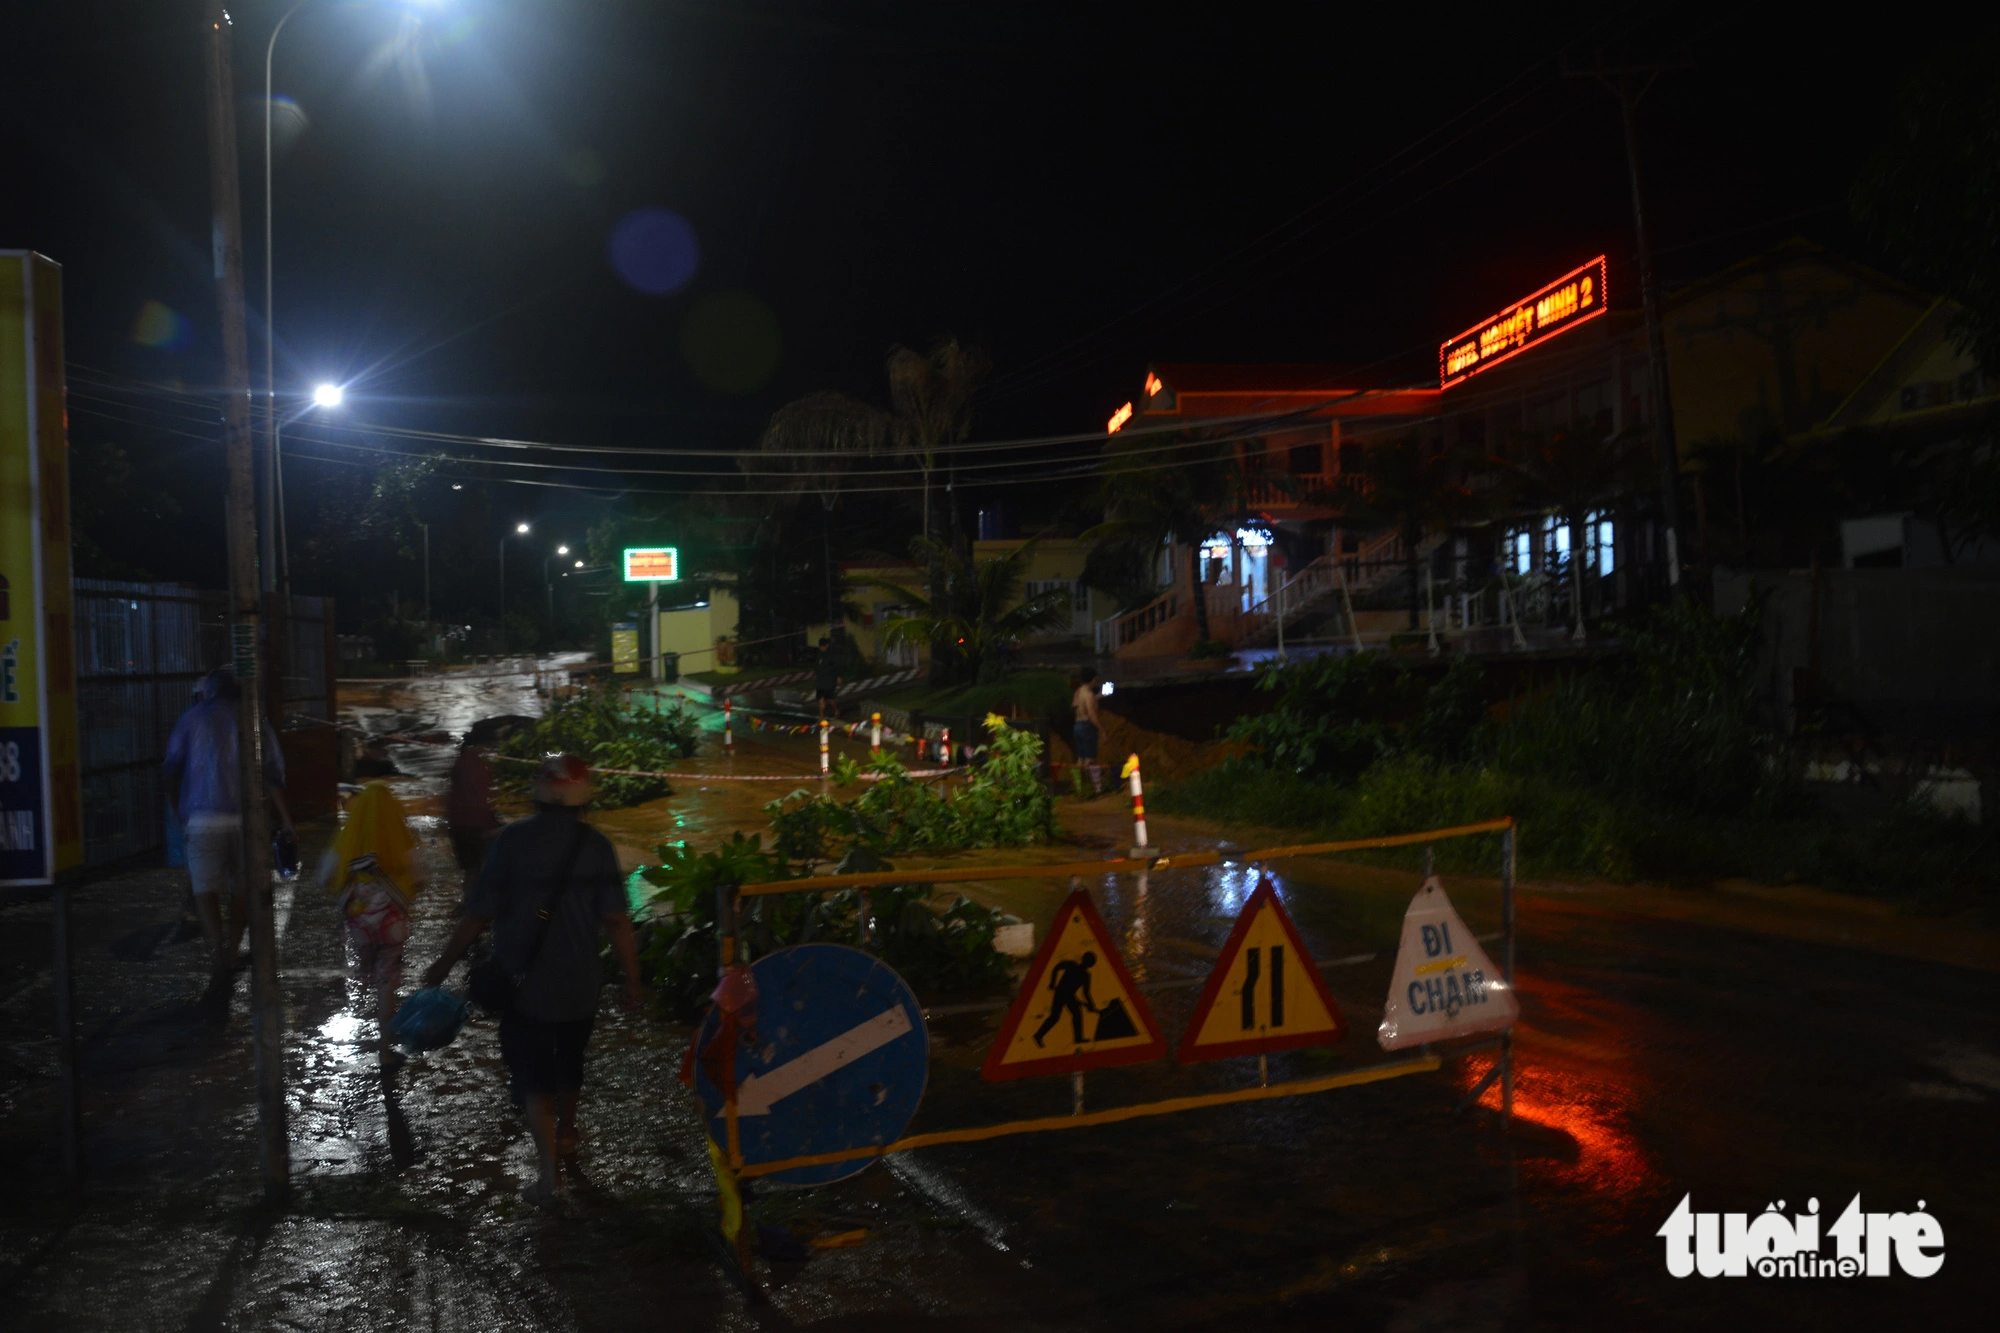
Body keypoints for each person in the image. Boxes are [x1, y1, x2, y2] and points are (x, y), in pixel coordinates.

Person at [421, 754, 644, 1207]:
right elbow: (617, 921)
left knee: (532, 1074)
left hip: (525, 984)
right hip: (582, 982)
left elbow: (478, 913)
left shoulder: (510, 841)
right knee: (570, 1059)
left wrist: (444, 963)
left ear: (537, 795)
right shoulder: (597, 845)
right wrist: (633, 980)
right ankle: (567, 1132)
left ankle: (549, 1177)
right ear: (585, 798)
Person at [162, 666, 294, 1007]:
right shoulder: (254, 719)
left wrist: (180, 811)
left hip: (201, 819)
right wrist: (286, 821)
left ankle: (218, 950)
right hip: (245, 822)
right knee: (242, 889)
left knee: (204, 891)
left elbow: (170, 767)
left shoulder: (191, 718)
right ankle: (233, 951)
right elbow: (275, 772)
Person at [320, 781, 424, 1072]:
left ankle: (366, 978)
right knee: (387, 983)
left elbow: (325, 875)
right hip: (393, 927)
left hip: (361, 928)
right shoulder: (400, 838)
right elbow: (419, 877)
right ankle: (386, 1050)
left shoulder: (349, 838)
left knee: (369, 970)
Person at [444, 736, 501, 884]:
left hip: (458, 824)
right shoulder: (476, 766)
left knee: (470, 870)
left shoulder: (461, 762)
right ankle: (474, 903)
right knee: (478, 870)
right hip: (473, 826)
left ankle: (468, 902)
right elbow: (478, 799)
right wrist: (490, 824)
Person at [1033, 951, 1098, 1047]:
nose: (1087, 963)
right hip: (1060, 993)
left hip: (1069, 996)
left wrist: (1091, 1005)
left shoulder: (1085, 975)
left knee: (1076, 1014)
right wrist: (1052, 983)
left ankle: (1078, 1038)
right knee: (1055, 1017)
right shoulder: (1071, 965)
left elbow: (1086, 993)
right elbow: (1056, 968)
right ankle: (1038, 1035)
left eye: (1089, 962)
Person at [1071, 666, 1106, 795]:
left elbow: (1076, 705)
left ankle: (1079, 788)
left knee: (1080, 759)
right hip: (1087, 727)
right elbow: (1092, 715)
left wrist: (1098, 697)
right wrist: (1102, 730)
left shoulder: (1079, 692)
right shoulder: (1089, 694)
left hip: (1077, 726)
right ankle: (1097, 790)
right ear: (1094, 679)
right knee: (1090, 759)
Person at [813, 635, 842, 720]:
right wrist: (815, 674)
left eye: (823, 646)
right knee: (821, 701)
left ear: (827, 645)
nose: (822, 648)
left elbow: (837, 667)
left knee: (831, 699)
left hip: (829, 681)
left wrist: (838, 677)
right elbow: (816, 666)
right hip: (820, 682)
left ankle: (836, 710)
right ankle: (821, 717)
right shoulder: (819, 655)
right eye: (820, 646)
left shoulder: (832, 655)